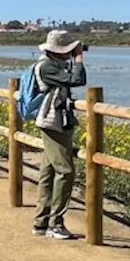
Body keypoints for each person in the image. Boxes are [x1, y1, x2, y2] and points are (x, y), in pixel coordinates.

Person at [32, 29, 87, 240]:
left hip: (54, 122)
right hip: (52, 122)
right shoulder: (46, 66)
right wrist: (79, 59)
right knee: (65, 171)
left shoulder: (53, 64)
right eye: (70, 49)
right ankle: (56, 223)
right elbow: (77, 80)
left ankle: (41, 222)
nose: (72, 53)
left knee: (48, 171)